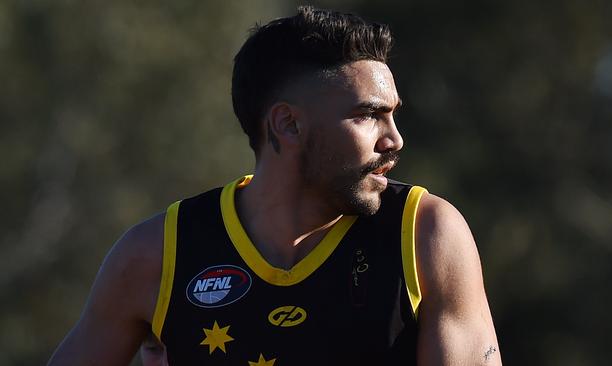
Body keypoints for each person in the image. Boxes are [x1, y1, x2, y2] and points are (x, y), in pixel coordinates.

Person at [48, 6, 501, 365]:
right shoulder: (156, 254)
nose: (395, 140)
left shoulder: (426, 235)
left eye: (393, 114)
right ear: (287, 123)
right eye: (367, 115)